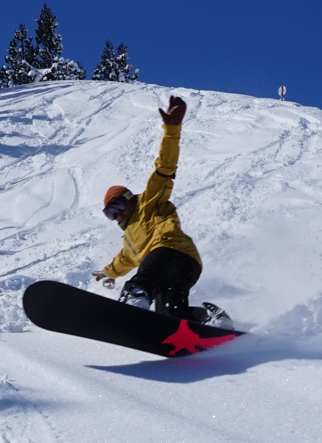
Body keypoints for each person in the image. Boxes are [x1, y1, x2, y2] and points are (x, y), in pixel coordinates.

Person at [92, 96, 226, 327]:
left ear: (129, 200)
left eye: (118, 207)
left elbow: (165, 167)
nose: (117, 216)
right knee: (170, 316)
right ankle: (210, 322)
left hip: (171, 253)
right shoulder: (130, 244)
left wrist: (172, 129)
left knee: (142, 282)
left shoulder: (149, 201)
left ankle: (134, 301)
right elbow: (123, 261)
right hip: (189, 268)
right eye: (110, 214)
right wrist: (108, 274)